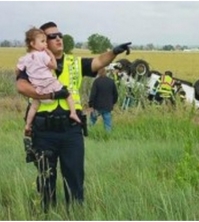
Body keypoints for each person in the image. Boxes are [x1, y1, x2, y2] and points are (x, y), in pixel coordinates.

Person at [15, 21, 131, 212]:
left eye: (59, 35)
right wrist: (50, 95)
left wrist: (114, 52)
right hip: (44, 131)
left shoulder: (74, 63)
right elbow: (21, 86)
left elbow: (99, 62)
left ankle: (75, 214)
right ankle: (47, 214)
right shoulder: (34, 61)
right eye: (51, 36)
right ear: (40, 42)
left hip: (71, 130)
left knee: (75, 178)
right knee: (45, 179)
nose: (58, 38)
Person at [17, 27, 81, 136]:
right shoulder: (42, 55)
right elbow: (54, 66)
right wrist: (50, 54)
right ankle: (73, 113)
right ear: (33, 43)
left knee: (34, 106)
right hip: (49, 84)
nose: (45, 44)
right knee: (67, 94)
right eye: (42, 42)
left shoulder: (25, 58)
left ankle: (28, 125)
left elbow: (17, 70)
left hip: (38, 88)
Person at [88, 68, 119, 132]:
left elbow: (93, 94)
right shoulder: (111, 81)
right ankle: (107, 137)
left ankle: (87, 133)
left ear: (99, 73)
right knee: (107, 124)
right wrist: (113, 102)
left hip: (97, 106)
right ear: (106, 73)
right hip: (107, 106)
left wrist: (91, 105)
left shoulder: (96, 81)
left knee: (92, 121)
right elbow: (115, 94)